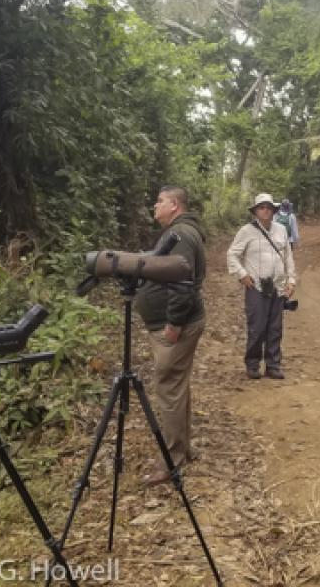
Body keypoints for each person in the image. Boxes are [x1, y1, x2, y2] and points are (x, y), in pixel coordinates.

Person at [134, 185, 207, 486]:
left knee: (169, 388)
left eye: (160, 201)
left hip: (176, 324)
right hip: (173, 321)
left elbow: (182, 284)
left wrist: (174, 324)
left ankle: (171, 459)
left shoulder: (180, 236)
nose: (155, 206)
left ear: (174, 205)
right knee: (177, 385)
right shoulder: (179, 232)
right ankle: (183, 447)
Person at [227, 193, 297, 380]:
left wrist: (291, 280)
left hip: (278, 285)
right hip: (256, 286)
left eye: (268, 207)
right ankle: (252, 364)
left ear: (274, 210)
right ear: (256, 211)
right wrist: (242, 274)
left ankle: (273, 365)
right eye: (261, 207)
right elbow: (232, 254)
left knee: (275, 327)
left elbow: (288, 256)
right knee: (257, 327)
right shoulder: (246, 231)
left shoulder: (281, 230)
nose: (265, 211)